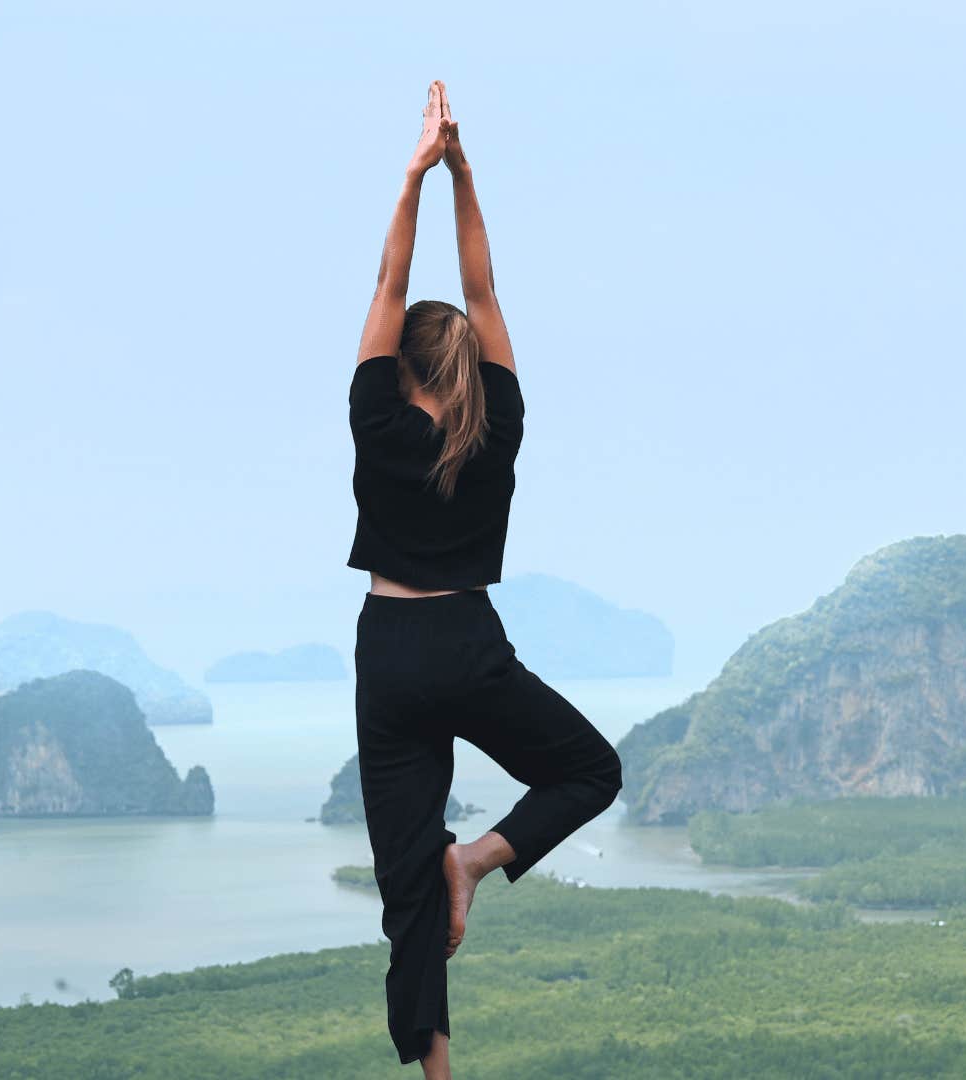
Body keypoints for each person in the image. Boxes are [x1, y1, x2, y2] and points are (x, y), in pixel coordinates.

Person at [346, 79, 625, 1076]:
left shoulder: (378, 424)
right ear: (465, 368)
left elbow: (391, 284)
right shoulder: (498, 429)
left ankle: (435, 1072)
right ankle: (479, 857)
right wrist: (467, 172)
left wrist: (417, 171)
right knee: (591, 770)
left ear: (402, 366)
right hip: (466, 645)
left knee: (405, 887)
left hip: (389, 652)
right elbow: (485, 294)